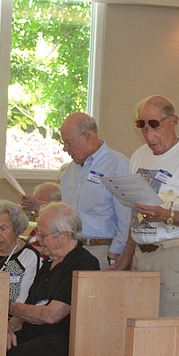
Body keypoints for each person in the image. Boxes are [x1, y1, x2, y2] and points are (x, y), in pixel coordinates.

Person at [5, 202, 100, 356]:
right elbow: (28, 309)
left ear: (65, 236)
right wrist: (9, 327)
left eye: (43, 234)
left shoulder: (83, 263)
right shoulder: (49, 264)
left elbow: (52, 315)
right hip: (40, 331)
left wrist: (10, 305)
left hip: (67, 337)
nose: (38, 240)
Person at [114, 95, 179, 317]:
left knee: (174, 331)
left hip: (175, 256)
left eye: (155, 126)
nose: (149, 135)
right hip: (142, 256)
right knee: (140, 328)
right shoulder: (139, 156)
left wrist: (166, 215)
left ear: (173, 121)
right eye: (142, 127)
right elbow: (136, 212)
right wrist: (126, 258)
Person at [58, 112, 131, 268]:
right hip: (71, 251)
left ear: (87, 136)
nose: (65, 148)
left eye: (69, 142)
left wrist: (115, 254)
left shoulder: (118, 165)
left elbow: (126, 219)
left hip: (101, 251)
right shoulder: (70, 170)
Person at [0, 199, 41, 303]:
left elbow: (25, 301)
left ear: (16, 228)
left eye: (3, 229)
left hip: (9, 316)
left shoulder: (29, 256)